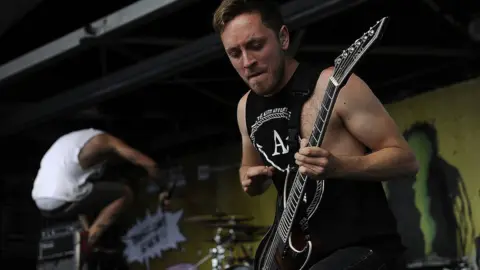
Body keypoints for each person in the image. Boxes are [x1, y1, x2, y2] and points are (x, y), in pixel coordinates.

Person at [212, 1, 419, 269]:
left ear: (283, 38)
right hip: (302, 258)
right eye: (234, 53)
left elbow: (406, 161)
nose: (247, 62)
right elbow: (250, 169)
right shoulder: (245, 108)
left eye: (255, 45)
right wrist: (252, 182)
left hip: (364, 249)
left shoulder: (334, 86)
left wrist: (339, 166)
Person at [31, 128, 167, 269]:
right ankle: (88, 242)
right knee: (124, 194)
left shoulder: (76, 142)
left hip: (41, 200)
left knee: (88, 196)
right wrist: (164, 188)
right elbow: (149, 164)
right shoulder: (106, 141)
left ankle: (85, 241)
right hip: (62, 196)